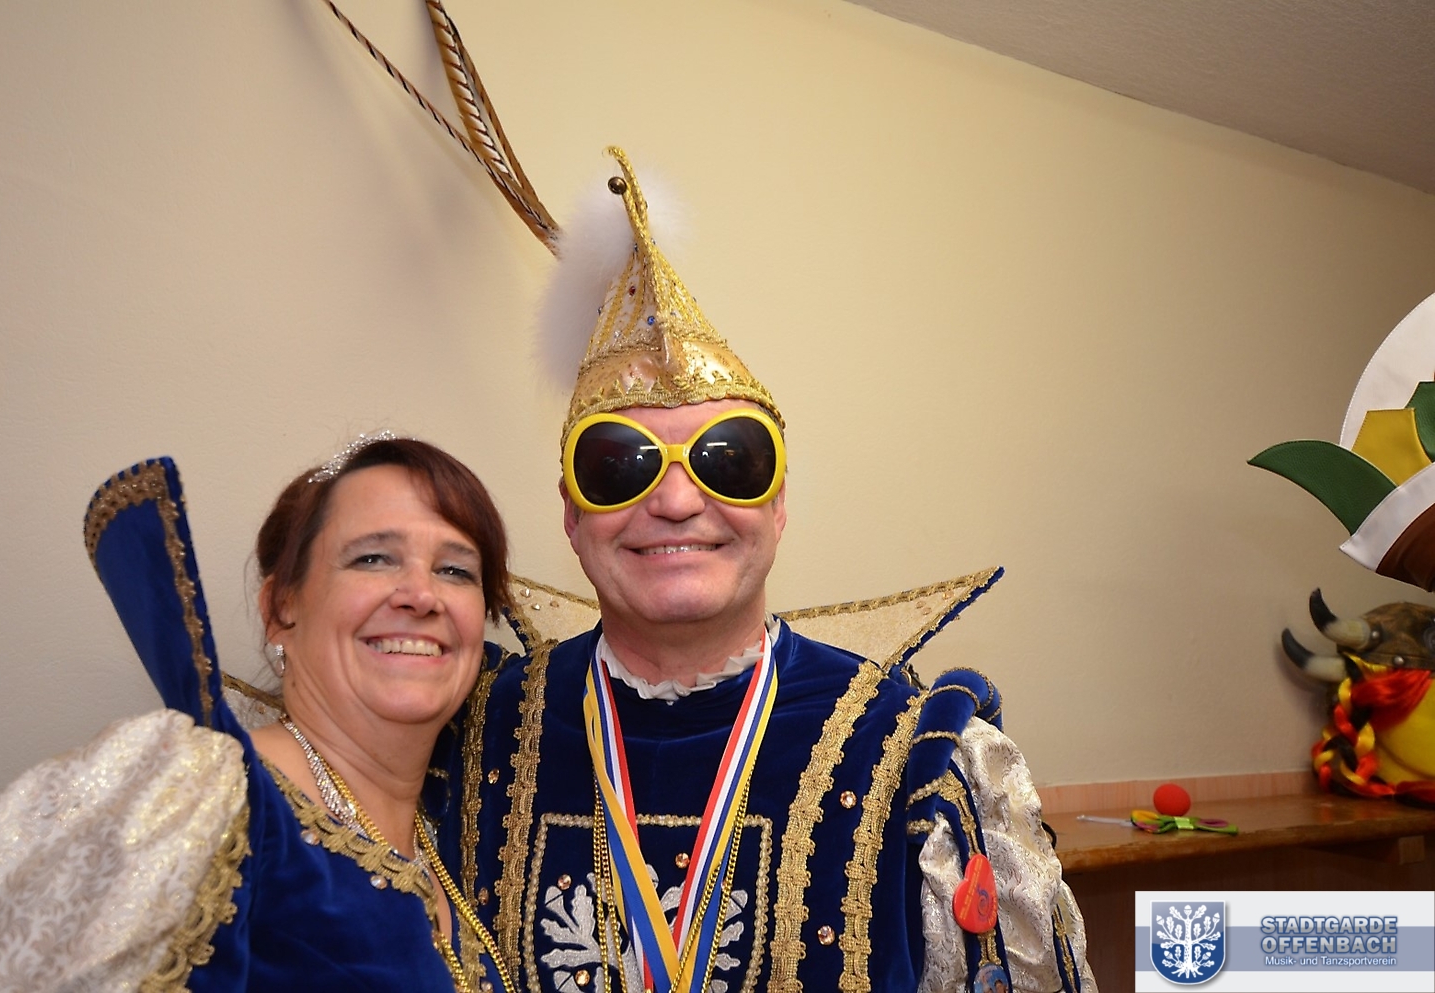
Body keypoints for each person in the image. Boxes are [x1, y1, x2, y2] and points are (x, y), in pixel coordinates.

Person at [440, 150, 1095, 993]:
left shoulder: (919, 761)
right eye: (619, 466)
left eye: (730, 459)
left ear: (777, 506)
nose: (677, 501)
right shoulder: (468, 737)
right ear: (572, 515)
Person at [0, 434, 516, 993]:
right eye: (373, 558)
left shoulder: (449, 855)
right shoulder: (200, 794)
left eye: (456, 570)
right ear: (281, 609)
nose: (422, 595)